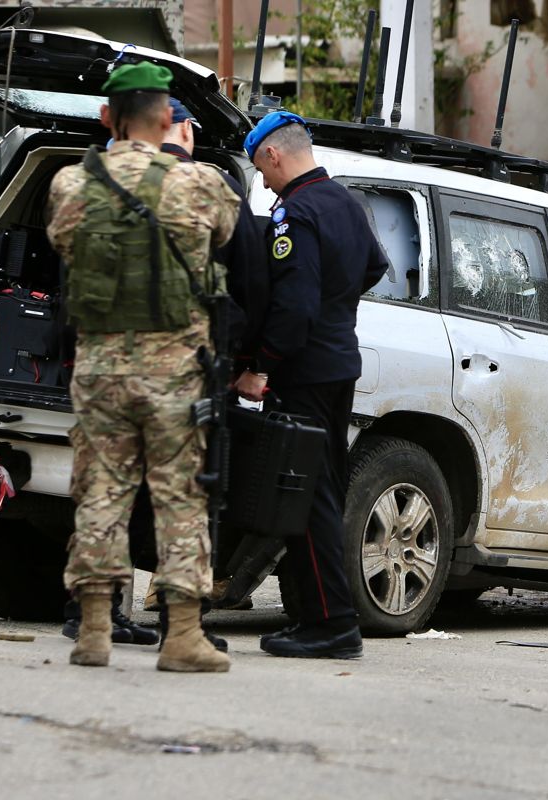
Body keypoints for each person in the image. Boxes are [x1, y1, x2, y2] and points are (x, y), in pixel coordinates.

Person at [46, 62, 238, 672]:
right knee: (179, 498)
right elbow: (228, 232)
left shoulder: (69, 184)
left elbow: (60, 243)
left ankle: (94, 629)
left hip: (100, 367)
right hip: (175, 372)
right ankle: (181, 635)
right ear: (166, 118)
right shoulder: (201, 184)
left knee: (100, 493)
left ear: (106, 117)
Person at [235, 110, 390, 659]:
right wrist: (335, 306)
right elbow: (374, 265)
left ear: (274, 155)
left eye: (260, 169)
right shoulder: (346, 202)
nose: (262, 181)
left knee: (310, 494)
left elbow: (294, 306)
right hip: (338, 364)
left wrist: (261, 366)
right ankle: (313, 615)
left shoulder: (295, 214)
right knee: (319, 488)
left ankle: (331, 623)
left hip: (302, 371)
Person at [137, 97, 269, 615]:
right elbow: (253, 279)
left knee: (109, 487)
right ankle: (179, 615)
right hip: (187, 369)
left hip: (109, 368)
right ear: (186, 130)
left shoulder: (99, 180)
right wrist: (242, 355)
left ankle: (92, 617)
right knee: (186, 490)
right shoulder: (213, 186)